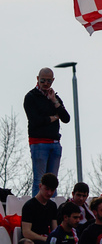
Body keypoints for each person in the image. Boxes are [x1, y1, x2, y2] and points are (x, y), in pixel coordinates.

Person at [24, 68, 71, 196]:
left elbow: (66, 118)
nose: (45, 83)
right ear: (37, 79)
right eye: (43, 80)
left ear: (53, 80)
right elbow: (35, 121)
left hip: (54, 142)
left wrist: (54, 101)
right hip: (39, 142)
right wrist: (54, 117)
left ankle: (52, 209)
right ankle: (37, 209)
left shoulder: (54, 97)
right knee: (39, 180)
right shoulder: (31, 97)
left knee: (52, 181)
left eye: (49, 81)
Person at [22, 173, 59, 244]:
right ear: (40, 186)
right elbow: (26, 232)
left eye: (52, 190)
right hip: (32, 240)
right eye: (47, 189)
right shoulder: (29, 206)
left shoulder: (52, 206)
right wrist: (45, 239)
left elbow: (54, 228)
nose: (49, 193)